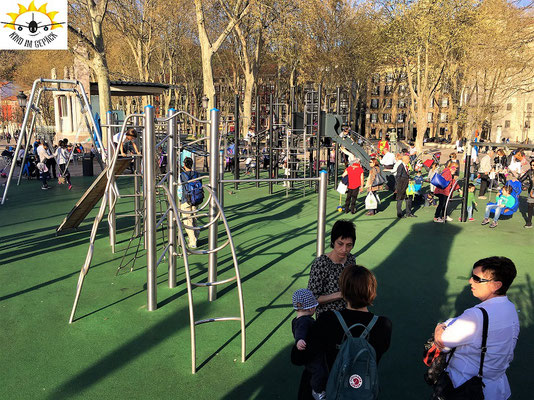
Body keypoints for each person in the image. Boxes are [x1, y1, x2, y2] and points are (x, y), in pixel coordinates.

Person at [293, 265, 392, 400]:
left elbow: (298, 358)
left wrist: (300, 329)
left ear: (343, 291)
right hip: (361, 391)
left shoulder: (327, 320)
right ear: (372, 291)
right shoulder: (383, 325)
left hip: (327, 390)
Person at [433, 257, 519, 400]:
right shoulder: (510, 308)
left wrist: (438, 328)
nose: (470, 281)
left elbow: (443, 341)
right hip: (496, 388)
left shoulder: (475, 316)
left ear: (496, 285)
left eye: (476, 278)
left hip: (464, 387)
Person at [307, 220, 356, 317]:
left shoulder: (351, 259)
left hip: (348, 315)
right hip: (327, 319)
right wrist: (341, 295)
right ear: (333, 241)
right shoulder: (321, 263)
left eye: (349, 245)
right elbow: (311, 298)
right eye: (340, 243)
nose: (344, 249)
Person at [291, 289, 326, 400]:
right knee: (318, 371)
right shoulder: (304, 322)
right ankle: (317, 391)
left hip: (308, 352)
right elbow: (300, 332)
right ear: (311, 308)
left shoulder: (296, 320)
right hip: (311, 354)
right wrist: (299, 340)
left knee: (315, 369)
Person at [179, 157, 200, 248]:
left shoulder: (182, 175)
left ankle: (192, 241)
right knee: (194, 217)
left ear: (184, 164)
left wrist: (180, 199)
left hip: (186, 199)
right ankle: (196, 233)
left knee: (188, 221)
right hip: (196, 198)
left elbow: (180, 189)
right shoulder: (197, 174)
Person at [519, 159, 534, 228]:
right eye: (531, 165)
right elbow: (521, 179)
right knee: (530, 206)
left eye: (533, 165)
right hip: (531, 191)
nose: (532, 166)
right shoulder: (529, 172)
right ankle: (529, 222)